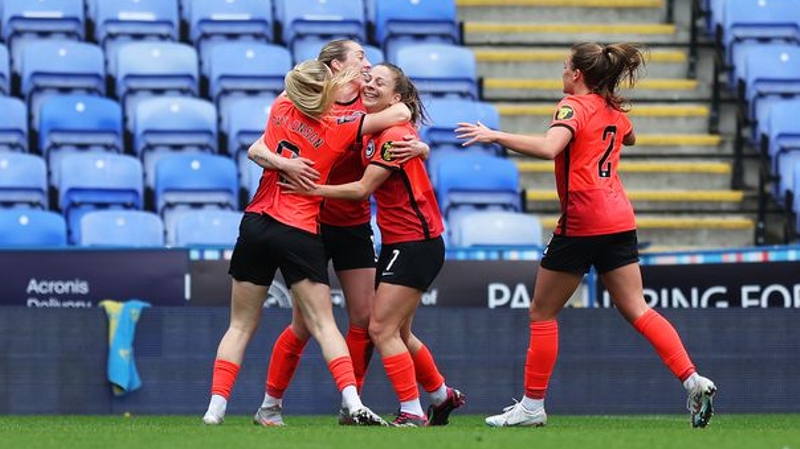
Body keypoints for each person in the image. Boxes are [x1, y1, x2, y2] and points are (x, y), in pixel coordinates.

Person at [455, 42, 717, 428]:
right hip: (620, 217)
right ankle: (693, 379)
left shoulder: (571, 106)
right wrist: (607, 112)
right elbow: (628, 137)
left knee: (542, 312)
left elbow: (549, 148)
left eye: (565, 66)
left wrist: (495, 135)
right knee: (638, 308)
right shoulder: (613, 110)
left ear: (577, 74)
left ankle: (531, 406)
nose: (562, 72)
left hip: (584, 217)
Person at [201, 58, 413, 427]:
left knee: (239, 326)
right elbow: (399, 113)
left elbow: (256, 149)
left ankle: (214, 409)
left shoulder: (281, 106)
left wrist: (282, 162)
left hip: (255, 223)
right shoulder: (339, 126)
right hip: (298, 228)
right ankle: (353, 401)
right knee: (325, 325)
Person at [247, 40, 433, 427]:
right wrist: (282, 161)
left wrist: (423, 147)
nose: (367, 65)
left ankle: (353, 405)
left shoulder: (372, 107)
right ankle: (270, 404)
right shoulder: (308, 100)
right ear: (334, 66)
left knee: (365, 319)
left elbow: (403, 112)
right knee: (303, 324)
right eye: (360, 57)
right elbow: (257, 147)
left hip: (354, 225)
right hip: (310, 221)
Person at [282, 63, 466, 427]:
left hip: (415, 242)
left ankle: (411, 411)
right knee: (398, 332)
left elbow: (362, 189)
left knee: (380, 329)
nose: (369, 84)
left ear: (396, 97)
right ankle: (441, 396)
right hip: (405, 241)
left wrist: (312, 189)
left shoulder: (393, 134)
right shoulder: (378, 129)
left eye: (379, 82)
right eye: (368, 78)